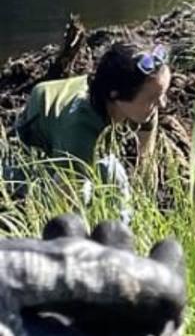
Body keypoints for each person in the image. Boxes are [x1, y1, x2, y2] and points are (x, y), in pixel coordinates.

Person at [10, 42, 171, 217]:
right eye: (153, 99)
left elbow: (146, 160)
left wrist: (145, 190)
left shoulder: (144, 105)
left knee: (113, 175)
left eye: (162, 94)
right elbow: (63, 205)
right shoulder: (79, 134)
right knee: (89, 188)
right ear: (115, 95)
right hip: (36, 139)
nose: (162, 104)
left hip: (83, 122)